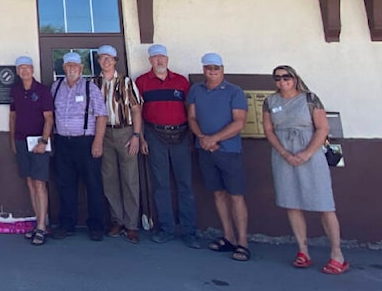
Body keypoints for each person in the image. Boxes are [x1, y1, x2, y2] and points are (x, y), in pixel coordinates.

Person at [262, 65, 347, 274]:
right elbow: (269, 130)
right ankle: (303, 250)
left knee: (324, 204)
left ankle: (337, 254)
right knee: (291, 202)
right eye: (278, 78)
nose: (282, 81)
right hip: (283, 154)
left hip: (311, 153)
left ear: (295, 77)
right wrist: (284, 153)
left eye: (286, 77)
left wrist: (307, 153)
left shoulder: (309, 98)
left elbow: (322, 128)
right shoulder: (270, 102)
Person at [187, 53, 250, 262]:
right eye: (208, 68)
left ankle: (243, 242)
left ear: (223, 68)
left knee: (236, 195)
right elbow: (192, 117)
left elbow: (239, 121)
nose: (212, 72)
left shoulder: (235, 91)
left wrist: (214, 138)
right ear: (203, 69)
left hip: (229, 150)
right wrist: (203, 138)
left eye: (216, 68)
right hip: (205, 150)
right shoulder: (196, 89)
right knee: (218, 194)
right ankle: (228, 237)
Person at [135, 44, 199, 247]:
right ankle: (166, 228)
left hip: (180, 134)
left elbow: (190, 112)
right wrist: (142, 138)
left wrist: (191, 137)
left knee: (185, 185)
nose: (159, 61)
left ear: (167, 60)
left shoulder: (181, 82)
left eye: (162, 57)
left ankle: (189, 231)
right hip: (154, 135)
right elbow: (139, 113)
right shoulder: (142, 82)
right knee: (160, 184)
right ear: (150, 61)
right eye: (155, 58)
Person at [51, 51, 107, 241]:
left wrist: (98, 142)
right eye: (68, 66)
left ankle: (96, 226)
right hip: (62, 143)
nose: (72, 68)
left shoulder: (91, 88)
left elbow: (101, 115)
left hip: (86, 142)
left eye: (75, 65)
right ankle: (67, 225)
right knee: (65, 185)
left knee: (93, 184)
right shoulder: (56, 87)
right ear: (64, 68)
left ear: (81, 69)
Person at [93, 45, 143, 243]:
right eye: (102, 58)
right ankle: (118, 220)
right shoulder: (94, 83)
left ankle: (132, 225)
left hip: (124, 132)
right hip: (104, 134)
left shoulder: (126, 82)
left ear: (115, 61)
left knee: (130, 179)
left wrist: (136, 135)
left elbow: (137, 110)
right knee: (109, 180)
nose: (105, 62)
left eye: (109, 58)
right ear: (98, 61)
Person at [9, 55, 53, 246]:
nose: (24, 71)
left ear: (33, 70)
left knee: (39, 184)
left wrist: (44, 141)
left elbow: (49, 118)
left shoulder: (42, 90)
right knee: (29, 182)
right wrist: (12, 140)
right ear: (18, 71)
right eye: (21, 68)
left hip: (39, 142)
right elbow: (12, 117)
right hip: (21, 141)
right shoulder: (16, 90)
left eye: (27, 68)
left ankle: (43, 226)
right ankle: (37, 222)